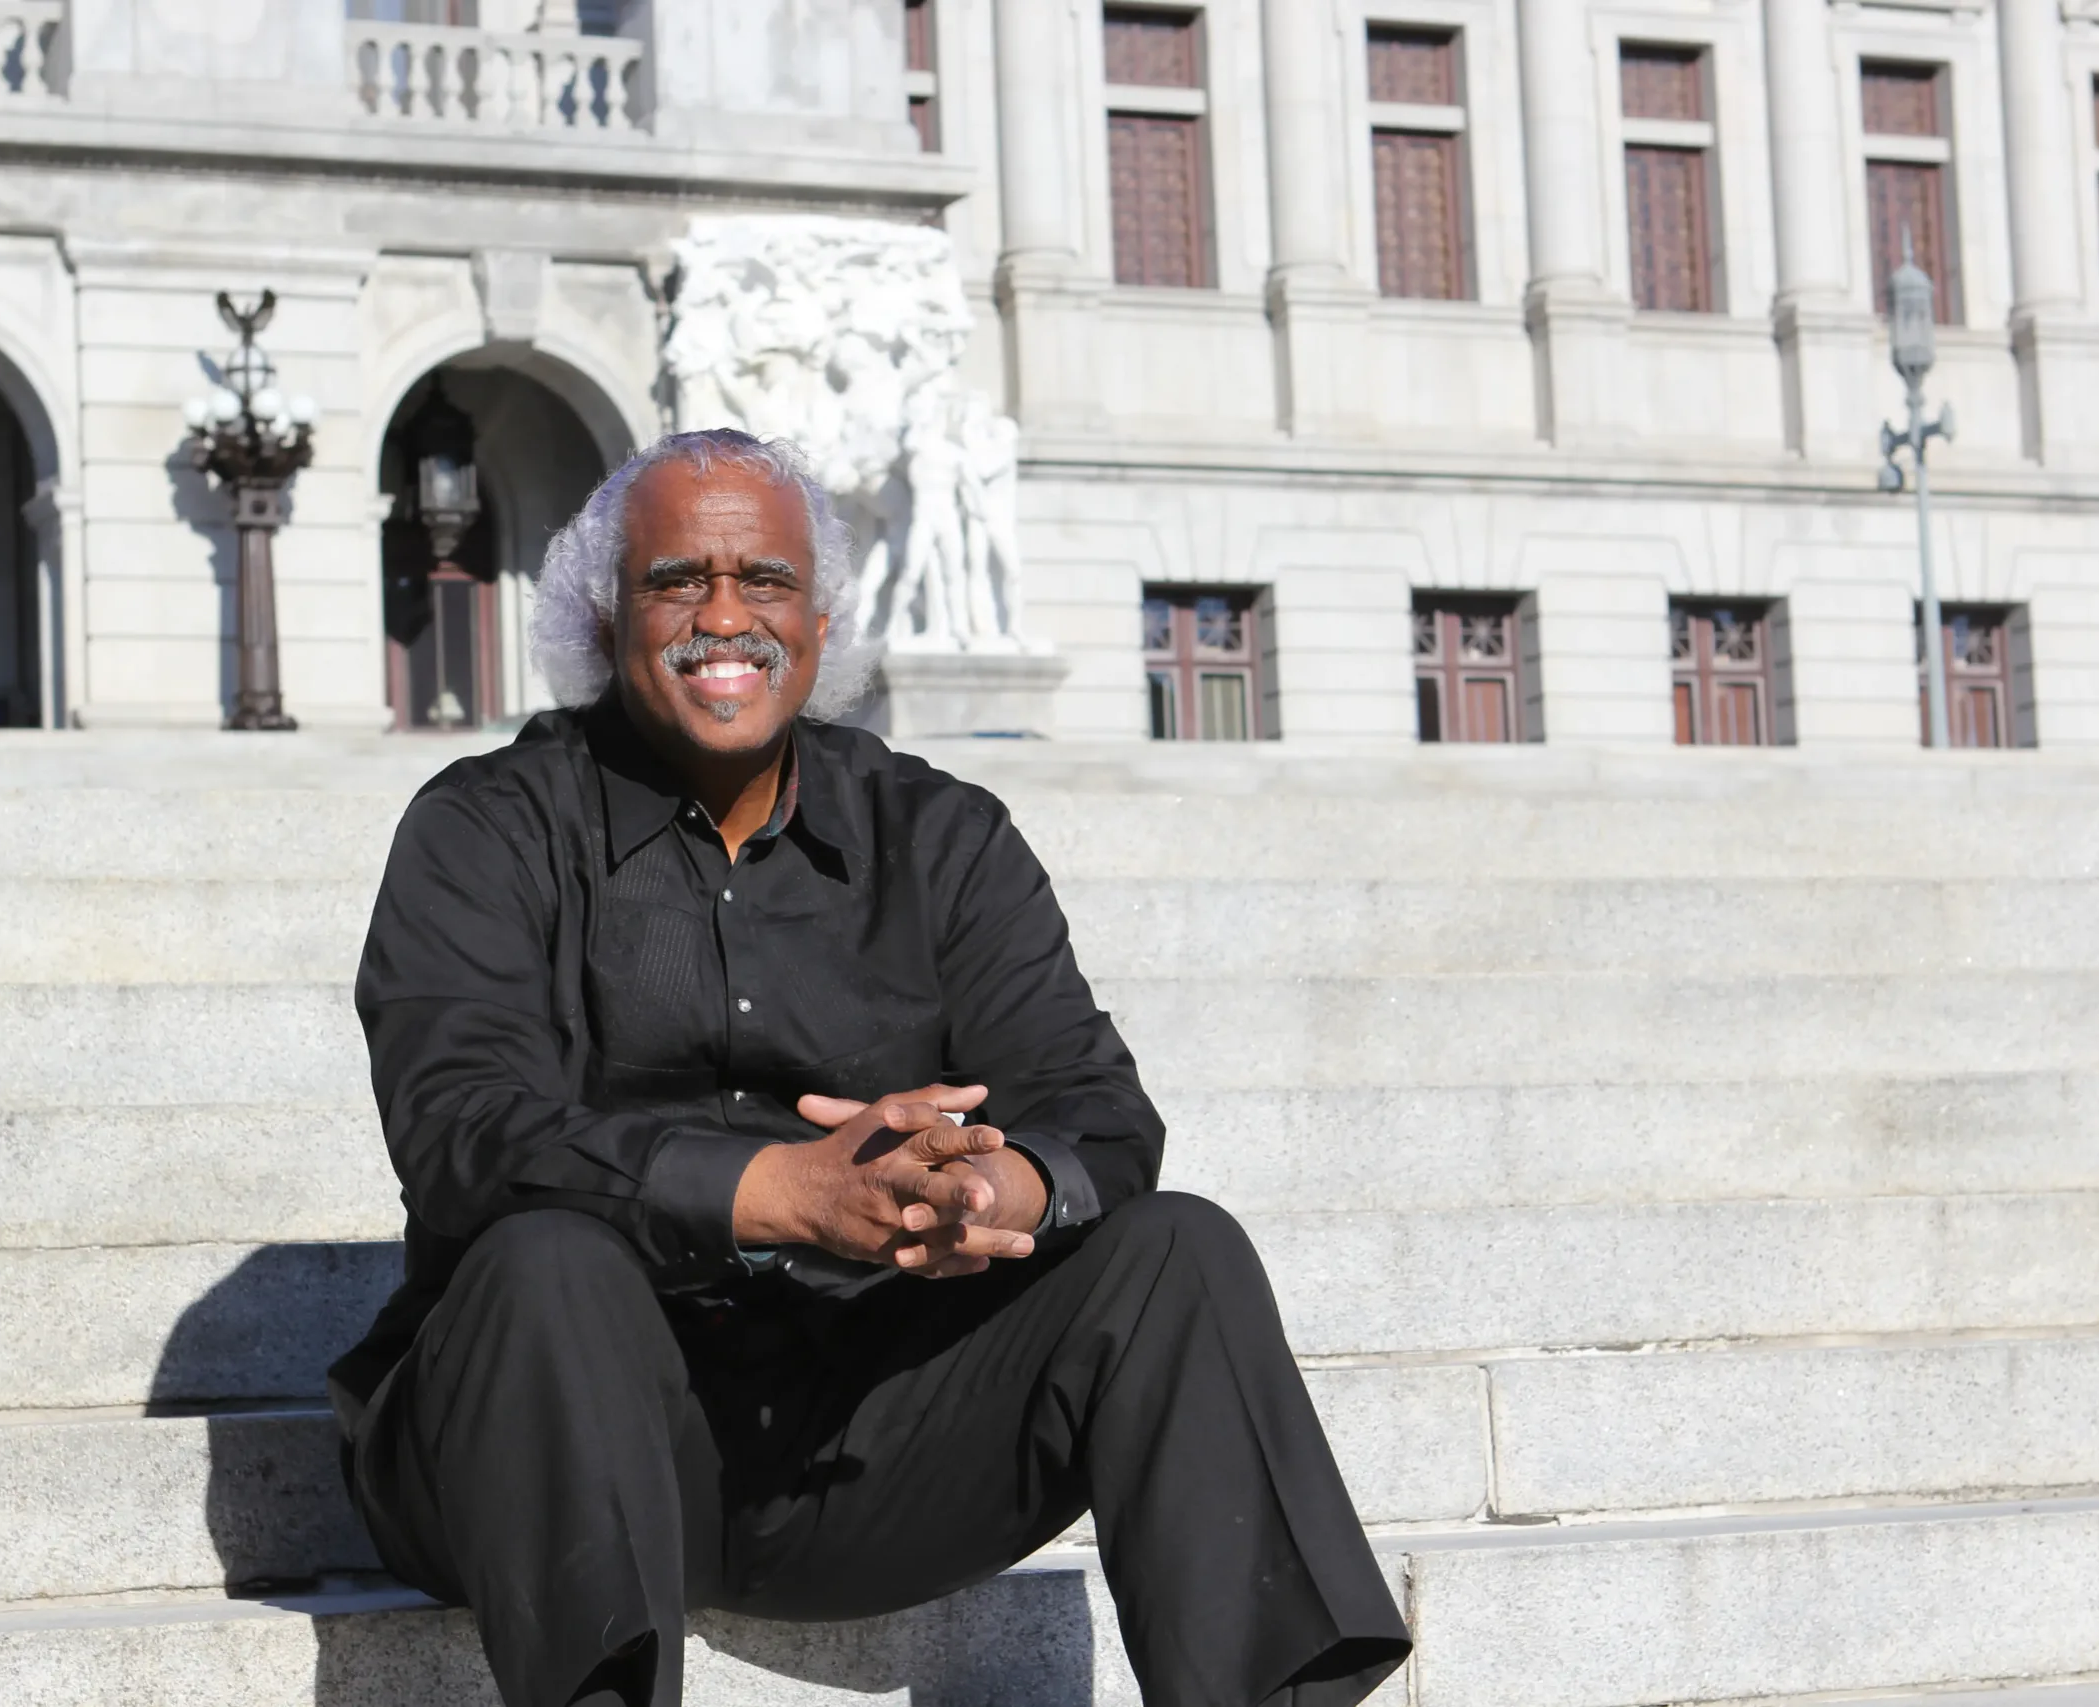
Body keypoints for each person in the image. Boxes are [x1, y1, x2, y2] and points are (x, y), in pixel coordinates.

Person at [328, 428, 1410, 1707]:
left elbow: (1101, 1117)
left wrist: (996, 1191)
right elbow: (464, 1131)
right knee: (547, 1261)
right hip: (533, 1455)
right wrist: (779, 1191)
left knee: (1179, 1251)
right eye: (678, 579)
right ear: (604, 612)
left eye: (765, 581)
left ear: (820, 618)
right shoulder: (486, 826)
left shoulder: (942, 836)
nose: (725, 617)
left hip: (852, 1452)